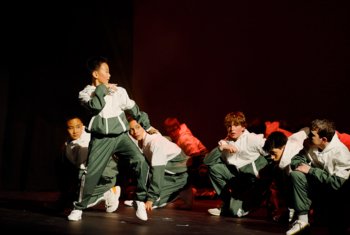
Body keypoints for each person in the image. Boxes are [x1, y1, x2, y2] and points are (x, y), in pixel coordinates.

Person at [67, 56, 154, 221]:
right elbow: (96, 106)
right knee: (92, 173)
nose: (109, 74)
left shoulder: (119, 91)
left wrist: (147, 126)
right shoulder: (85, 93)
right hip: (101, 140)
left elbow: (133, 109)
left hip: (121, 137)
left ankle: (140, 200)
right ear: (95, 74)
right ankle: (78, 209)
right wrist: (102, 90)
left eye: (109, 71)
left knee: (141, 161)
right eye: (105, 71)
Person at [286, 119, 350, 235]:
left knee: (337, 229)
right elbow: (296, 159)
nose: (308, 136)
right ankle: (302, 221)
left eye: (312, 135)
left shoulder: (341, 152)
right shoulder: (312, 145)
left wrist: (311, 170)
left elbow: (337, 184)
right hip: (319, 189)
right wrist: (302, 166)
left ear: (324, 139)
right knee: (297, 175)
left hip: (337, 197)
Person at [204, 111, 272, 217]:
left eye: (236, 125)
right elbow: (207, 162)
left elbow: (272, 152)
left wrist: (264, 180)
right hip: (238, 179)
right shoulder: (225, 142)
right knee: (214, 168)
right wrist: (221, 148)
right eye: (229, 126)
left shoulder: (252, 139)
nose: (232, 129)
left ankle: (259, 197)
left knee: (234, 213)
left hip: (253, 182)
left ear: (243, 127)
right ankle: (227, 203)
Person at [128, 118, 193, 221]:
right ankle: (182, 189)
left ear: (143, 127)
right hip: (168, 166)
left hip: (178, 167)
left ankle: (183, 185)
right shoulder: (139, 138)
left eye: (138, 127)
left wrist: (150, 199)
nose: (135, 132)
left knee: (155, 201)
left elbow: (157, 172)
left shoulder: (154, 143)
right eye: (131, 129)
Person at [56, 116, 119, 214]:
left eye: (78, 127)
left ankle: (108, 192)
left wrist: (76, 203)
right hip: (88, 172)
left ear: (82, 126)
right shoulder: (68, 142)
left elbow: (84, 171)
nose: (75, 131)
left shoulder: (87, 141)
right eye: (71, 128)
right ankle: (107, 192)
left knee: (81, 202)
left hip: (104, 174)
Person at [262, 129, 308, 223]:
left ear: (283, 147)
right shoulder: (291, 139)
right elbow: (306, 129)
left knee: (285, 175)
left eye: (274, 153)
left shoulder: (291, 160)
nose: (272, 157)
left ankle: (297, 214)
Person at [163, 117, 212, 195]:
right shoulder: (177, 138)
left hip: (201, 159)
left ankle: (198, 190)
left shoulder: (184, 138)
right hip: (194, 159)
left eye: (173, 130)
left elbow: (195, 154)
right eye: (169, 132)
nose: (172, 134)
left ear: (178, 128)